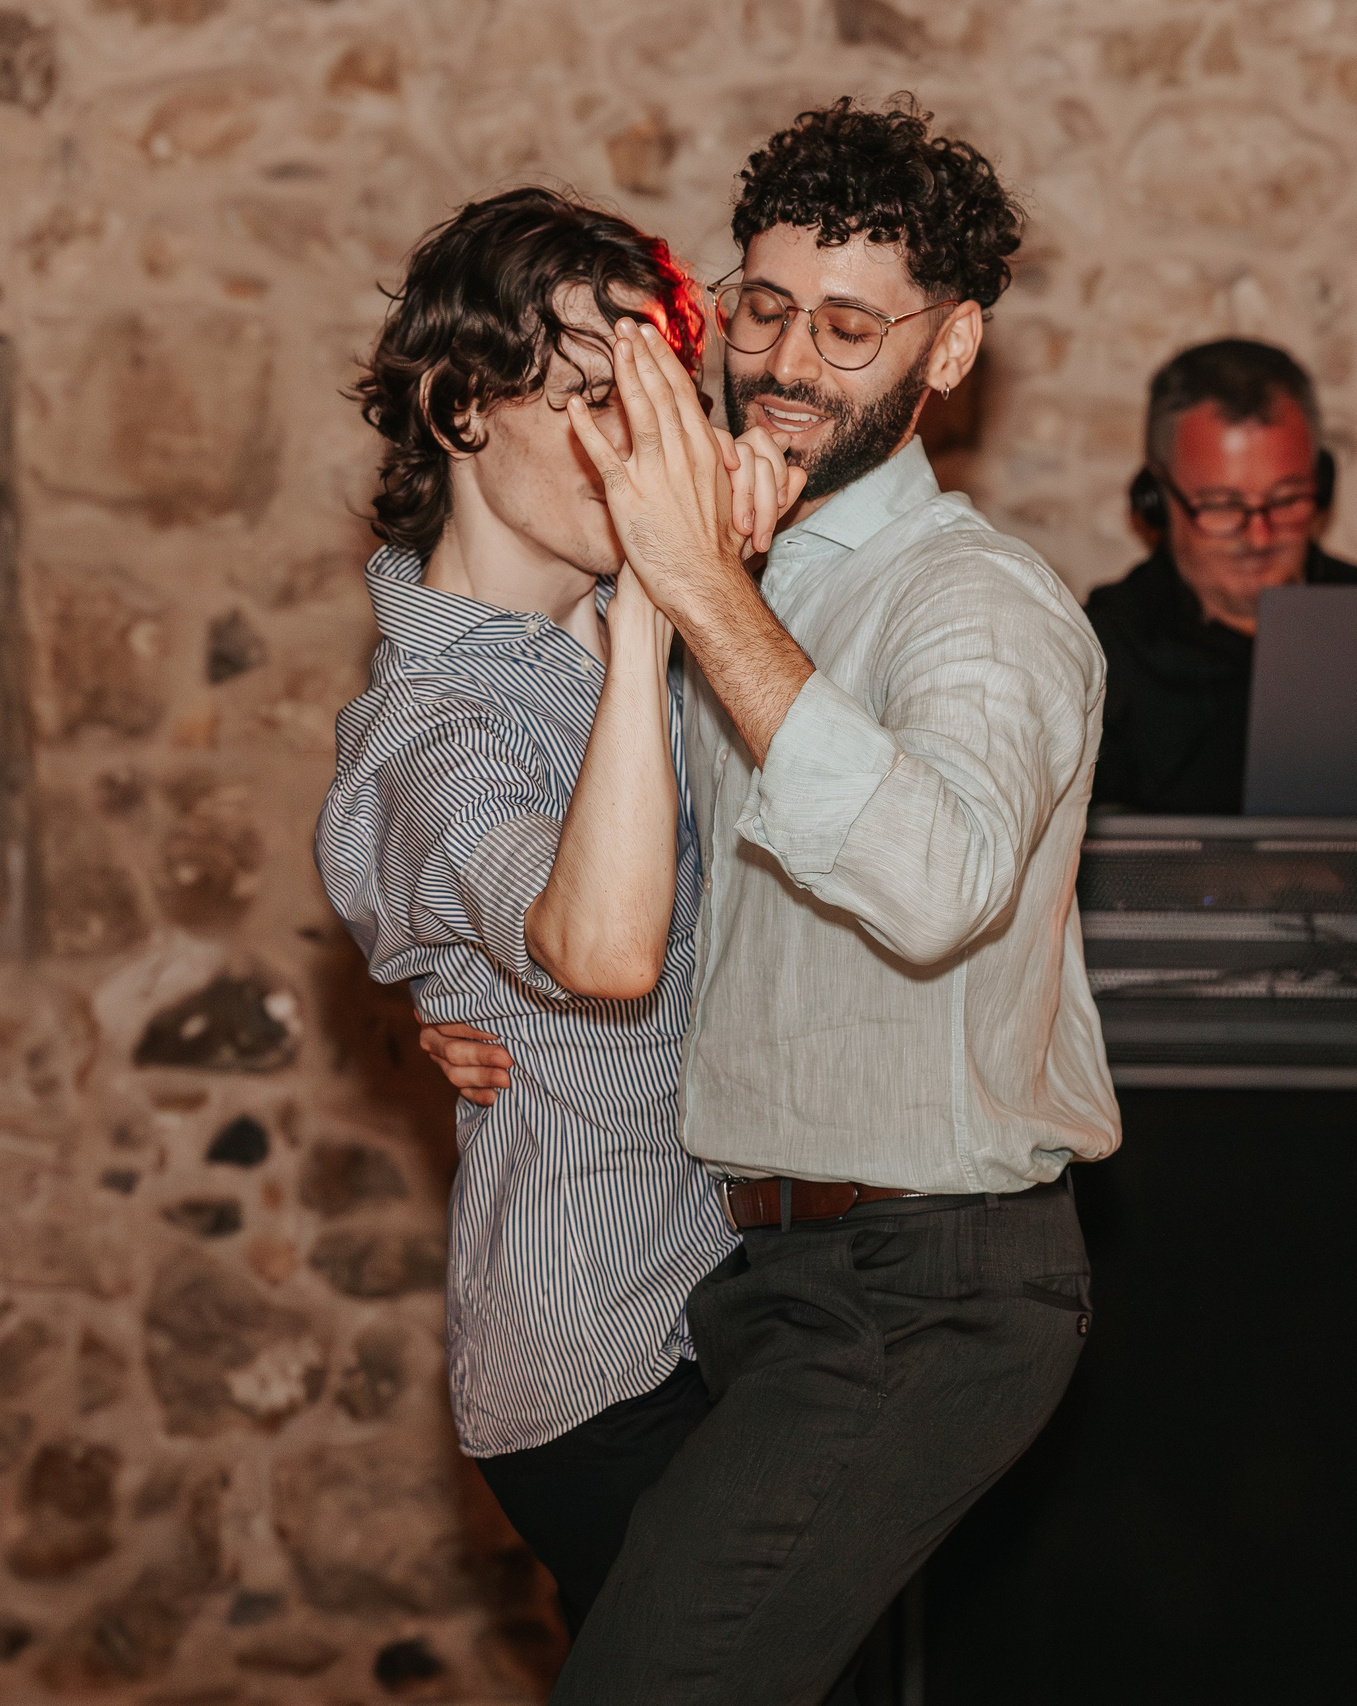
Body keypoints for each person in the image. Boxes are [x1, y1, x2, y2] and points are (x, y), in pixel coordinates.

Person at [442, 99, 1120, 1705]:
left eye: (849, 325)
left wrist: (695, 590)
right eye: (759, 308)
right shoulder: (758, 573)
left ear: (949, 352)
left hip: (931, 1287)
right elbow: (643, 899)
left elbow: (936, 882)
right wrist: (464, 997)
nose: (789, 360)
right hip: (757, 1277)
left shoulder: (977, 601)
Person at [313, 187, 801, 1637]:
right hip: (605, 1360)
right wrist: (665, 594)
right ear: (464, 406)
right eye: (595, 399)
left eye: (652, 402)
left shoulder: (598, 651)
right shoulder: (434, 720)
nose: (639, 446)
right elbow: (599, 949)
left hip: (718, 1302)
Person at [1083, 337, 1357, 815]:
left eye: (1288, 498)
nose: (1259, 535)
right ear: (1154, 499)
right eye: (1223, 505)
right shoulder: (1101, 654)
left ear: (1323, 483)